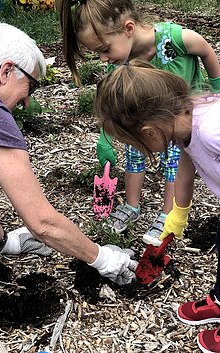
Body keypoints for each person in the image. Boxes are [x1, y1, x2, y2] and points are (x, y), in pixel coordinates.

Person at [0, 22, 138, 286]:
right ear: (7, 70)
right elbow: (42, 223)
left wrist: (3, 242)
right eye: (32, 86)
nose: (29, 101)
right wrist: (102, 258)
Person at [60, 0, 220, 245]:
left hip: (182, 115)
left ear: (128, 29)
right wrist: (106, 138)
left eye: (104, 49)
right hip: (161, 123)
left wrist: (217, 88)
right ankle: (135, 206)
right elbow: (115, 106)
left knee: (173, 163)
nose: (103, 58)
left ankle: (166, 211)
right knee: (143, 155)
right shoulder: (121, 61)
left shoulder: (175, 38)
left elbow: (206, 51)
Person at [94, 60, 220, 353]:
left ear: (150, 132)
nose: (143, 150)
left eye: (138, 145)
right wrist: (179, 211)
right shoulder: (185, 126)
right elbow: (188, 163)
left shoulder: (212, 129)